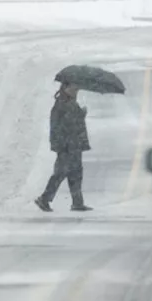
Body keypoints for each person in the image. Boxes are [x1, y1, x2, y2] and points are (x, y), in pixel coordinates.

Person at [36, 82, 92, 212]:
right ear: (66, 88)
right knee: (60, 173)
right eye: (74, 88)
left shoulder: (70, 103)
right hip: (66, 145)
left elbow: (74, 123)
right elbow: (58, 126)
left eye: (77, 89)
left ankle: (77, 202)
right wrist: (59, 144)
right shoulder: (61, 104)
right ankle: (44, 199)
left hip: (74, 145)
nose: (76, 91)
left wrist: (81, 114)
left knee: (76, 173)